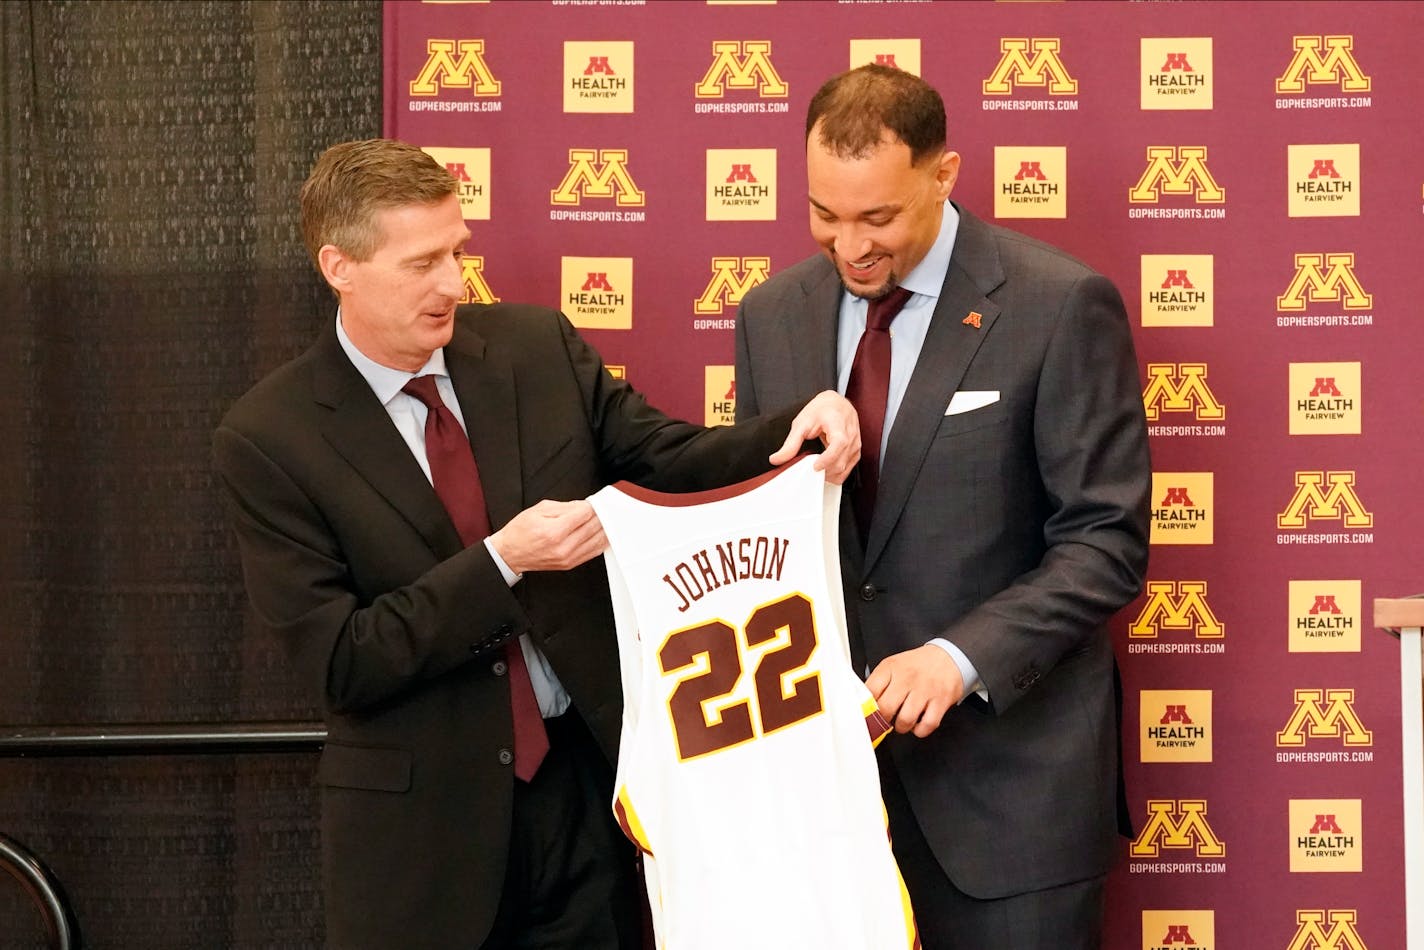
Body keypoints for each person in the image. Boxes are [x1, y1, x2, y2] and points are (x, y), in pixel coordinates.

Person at [212, 138, 860, 950]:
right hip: (422, 848)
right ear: (339, 267)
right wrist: (502, 562)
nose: (454, 283)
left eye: (457, 252)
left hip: (587, 802)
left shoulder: (536, 350)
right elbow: (344, 658)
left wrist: (799, 430)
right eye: (422, 265)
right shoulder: (271, 438)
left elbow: (672, 457)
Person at [734, 65, 1152, 950]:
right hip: (823, 808)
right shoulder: (769, 315)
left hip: (1011, 801)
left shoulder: (1058, 304)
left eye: (878, 218)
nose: (850, 246)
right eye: (825, 215)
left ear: (945, 174)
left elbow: (1103, 542)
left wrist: (958, 658)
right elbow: (758, 527)